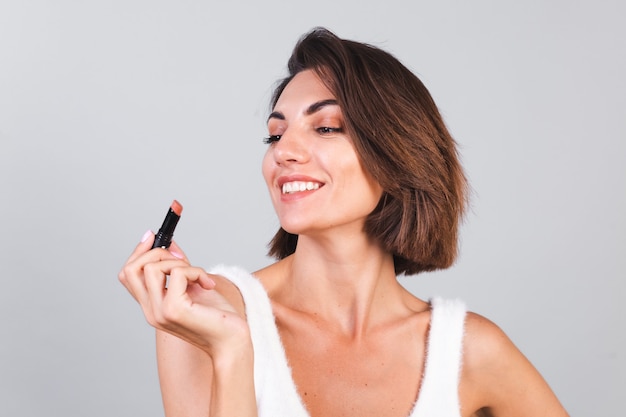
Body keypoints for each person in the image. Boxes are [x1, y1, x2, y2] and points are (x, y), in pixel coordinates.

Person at [119, 28, 568, 417]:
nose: (283, 151)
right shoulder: (203, 314)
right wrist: (232, 350)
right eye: (275, 135)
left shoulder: (468, 351)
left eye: (327, 127)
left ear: (398, 154)